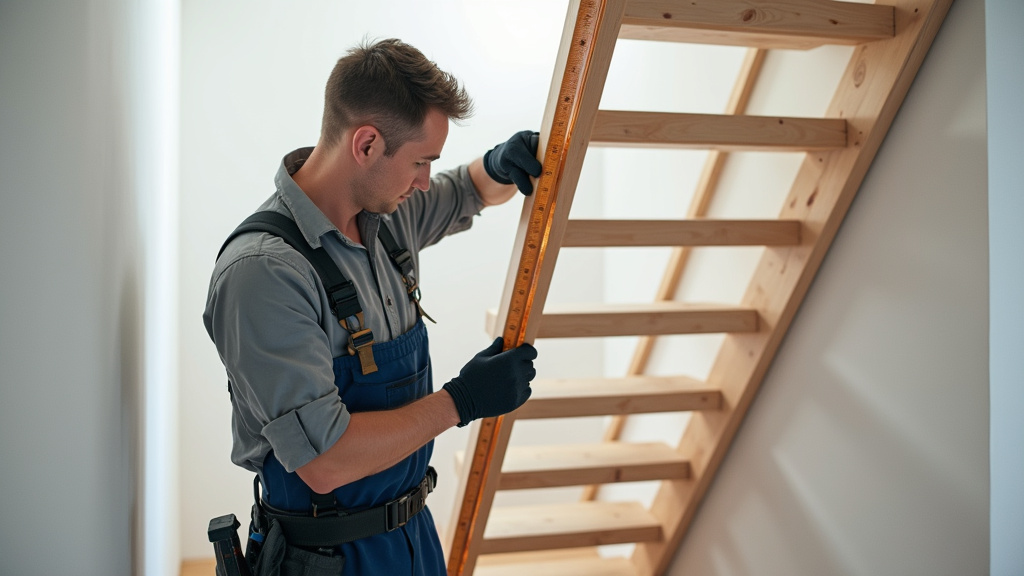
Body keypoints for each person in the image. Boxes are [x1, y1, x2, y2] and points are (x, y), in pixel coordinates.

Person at [203, 38, 543, 575]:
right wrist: (462, 400)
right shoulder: (265, 273)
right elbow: (325, 460)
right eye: (419, 162)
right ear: (365, 145)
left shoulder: (384, 221)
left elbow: (468, 189)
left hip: (412, 537)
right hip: (326, 558)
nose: (425, 180)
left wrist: (501, 165)